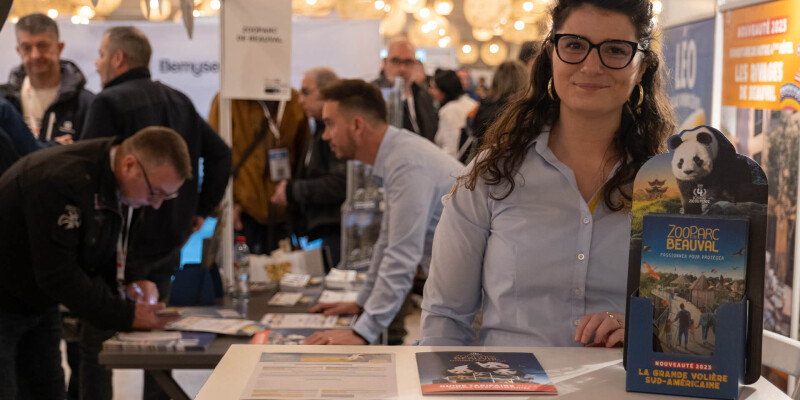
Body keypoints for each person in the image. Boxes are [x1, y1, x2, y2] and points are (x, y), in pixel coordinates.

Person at [419, 0, 675, 347]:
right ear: (551, 54)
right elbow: (445, 320)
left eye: (615, 50)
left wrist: (648, 332)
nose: (591, 65)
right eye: (574, 45)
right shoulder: (493, 174)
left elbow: (689, 326)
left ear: (642, 66)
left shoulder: (670, 186)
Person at [79, 26, 231, 400]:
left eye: (101, 54)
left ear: (118, 58)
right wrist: (199, 210)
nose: (97, 64)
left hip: (116, 247)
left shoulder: (108, 103)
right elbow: (221, 154)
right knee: (159, 345)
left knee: (96, 345)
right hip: (168, 244)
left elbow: (88, 174)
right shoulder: (179, 100)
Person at [0, 126, 189, 399]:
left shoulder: (118, 180)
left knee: (49, 389)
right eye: (155, 193)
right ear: (129, 165)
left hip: (37, 301)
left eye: (165, 197)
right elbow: (59, 275)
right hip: (7, 297)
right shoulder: (62, 181)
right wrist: (127, 315)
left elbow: (105, 243)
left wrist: (134, 278)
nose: (156, 204)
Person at [303, 79, 462, 346]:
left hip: (476, 298)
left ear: (356, 125)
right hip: (459, 290)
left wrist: (363, 332)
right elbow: (387, 242)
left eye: (329, 124)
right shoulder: (398, 155)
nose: (325, 135)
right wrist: (362, 303)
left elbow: (402, 254)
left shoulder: (406, 163)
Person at [208, 91, 308, 255]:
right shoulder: (227, 99)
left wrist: (294, 198)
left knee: (282, 274)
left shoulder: (294, 101)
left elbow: (303, 158)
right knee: (238, 274)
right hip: (242, 214)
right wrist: (226, 204)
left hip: (282, 212)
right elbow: (214, 157)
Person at [271, 67, 346, 267]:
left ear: (327, 93)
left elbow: (340, 183)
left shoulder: (336, 133)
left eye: (306, 92)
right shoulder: (318, 130)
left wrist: (292, 191)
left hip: (335, 235)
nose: (300, 100)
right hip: (320, 234)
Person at [4, 13, 94, 145]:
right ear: (19, 51)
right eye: (27, 48)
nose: (35, 55)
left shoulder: (86, 104)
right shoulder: (6, 101)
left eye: (43, 46)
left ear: (59, 47)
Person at [372, 38, 438, 142]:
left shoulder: (423, 96)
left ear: (416, 64)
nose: (402, 68)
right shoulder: (372, 95)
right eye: (395, 61)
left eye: (408, 62)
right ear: (385, 62)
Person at [470, 61, 529, 153]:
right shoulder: (523, 111)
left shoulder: (485, 105)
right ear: (524, 80)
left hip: (481, 160)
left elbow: (475, 132)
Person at [429, 69, 477, 159]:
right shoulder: (470, 102)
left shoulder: (449, 111)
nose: (430, 91)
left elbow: (451, 150)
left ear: (445, 89)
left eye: (434, 87)